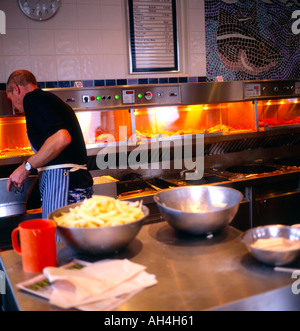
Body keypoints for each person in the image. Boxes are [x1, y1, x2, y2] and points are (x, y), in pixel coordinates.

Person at [6, 70, 94, 219]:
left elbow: (61, 138)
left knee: (59, 241)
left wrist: (25, 167)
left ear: (16, 88)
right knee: (76, 240)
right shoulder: (51, 100)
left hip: (65, 185)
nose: (14, 106)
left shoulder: (32, 98)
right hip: (75, 185)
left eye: (10, 99)